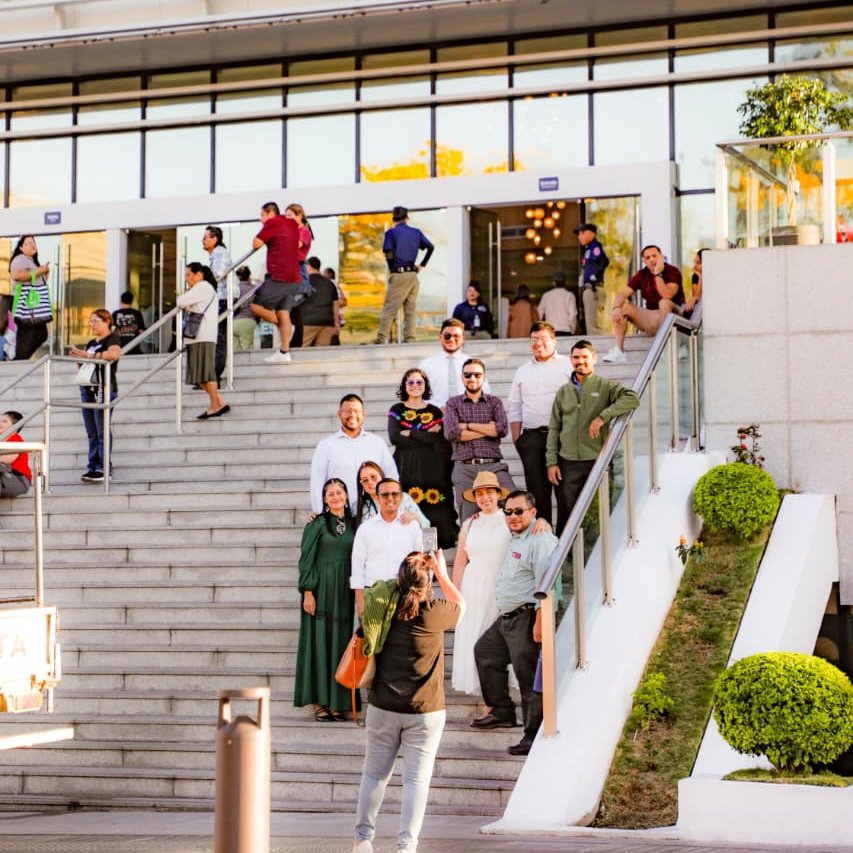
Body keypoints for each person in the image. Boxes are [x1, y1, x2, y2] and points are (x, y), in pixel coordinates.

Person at [351, 551, 464, 853]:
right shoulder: (435, 611)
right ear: (427, 585)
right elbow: (462, 605)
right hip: (426, 711)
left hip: (383, 707)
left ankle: (363, 841)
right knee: (416, 781)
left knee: (374, 774)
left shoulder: (384, 606)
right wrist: (442, 574)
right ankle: (406, 847)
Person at [472, 490, 558, 757]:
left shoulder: (539, 538)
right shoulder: (516, 537)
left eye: (519, 511)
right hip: (507, 617)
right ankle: (502, 711)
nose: (512, 517)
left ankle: (534, 734)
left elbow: (547, 582)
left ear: (533, 512)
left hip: (527, 615)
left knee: (527, 676)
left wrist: (540, 619)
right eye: (508, 512)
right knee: (484, 652)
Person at [546, 339, 639, 532]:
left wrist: (603, 417)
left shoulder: (605, 386)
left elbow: (632, 398)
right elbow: (554, 427)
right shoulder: (563, 392)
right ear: (571, 360)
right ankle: (567, 559)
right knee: (567, 514)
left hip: (598, 461)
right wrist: (551, 462)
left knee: (601, 512)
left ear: (594, 358)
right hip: (567, 462)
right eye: (576, 357)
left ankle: (598, 555)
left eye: (585, 357)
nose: (580, 361)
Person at [294, 477, 356, 723]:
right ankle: (320, 703)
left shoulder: (355, 523)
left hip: (345, 589)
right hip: (321, 590)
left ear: (347, 496)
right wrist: (308, 591)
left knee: (341, 644)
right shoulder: (317, 524)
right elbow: (306, 558)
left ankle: (339, 702)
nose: (336, 497)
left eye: (339, 492)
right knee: (319, 643)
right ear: (324, 499)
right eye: (330, 493)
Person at [508, 322, 572, 527]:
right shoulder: (522, 371)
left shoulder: (568, 365)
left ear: (554, 340)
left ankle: (566, 543)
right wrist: (519, 441)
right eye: (534, 339)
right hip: (533, 438)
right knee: (537, 495)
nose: (538, 343)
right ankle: (543, 540)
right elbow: (515, 406)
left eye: (543, 338)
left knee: (565, 493)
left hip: (563, 438)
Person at [387, 368, 458, 549]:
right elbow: (394, 437)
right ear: (404, 385)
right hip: (406, 468)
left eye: (419, 382)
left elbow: (438, 439)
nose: (415, 386)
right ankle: (414, 551)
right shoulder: (397, 410)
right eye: (410, 382)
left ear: (425, 385)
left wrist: (410, 432)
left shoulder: (434, 411)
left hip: (432, 470)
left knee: (433, 509)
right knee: (411, 509)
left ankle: (434, 554)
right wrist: (425, 434)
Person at [443, 358, 514, 522]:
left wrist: (467, 425)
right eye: (468, 375)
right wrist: (488, 429)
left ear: (484, 377)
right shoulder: (453, 403)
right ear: (462, 378)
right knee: (468, 518)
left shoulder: (494, 402)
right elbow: (452, 433)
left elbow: (501, 429)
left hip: (493, 465)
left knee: (512, 502)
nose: (472, 378)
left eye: (477, 374)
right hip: (464, 466)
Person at [310, 394, 397, 514]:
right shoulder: (326, 445)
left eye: (357, 411)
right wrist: (319, 512)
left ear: (363, 414)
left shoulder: (377, 442)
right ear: (339, 414)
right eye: (347, 411)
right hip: (340, 513)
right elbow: (317, 481)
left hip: (373, 512)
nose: (352, 415)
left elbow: (391, 475)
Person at [350, 477, 423, 618]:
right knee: (375, 640)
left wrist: (418, 598)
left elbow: (419, 564)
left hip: (405, 596)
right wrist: (360, 604)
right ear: (377, 497)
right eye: (385, 494)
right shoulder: (365, 529)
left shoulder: (412, 527)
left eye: (394, 494)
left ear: (401, 497)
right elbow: (357, 568)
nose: (390, 498)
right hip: (373, 594)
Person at [602, 244, 685, 364]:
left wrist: (658, 274)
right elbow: (623, 293)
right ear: (644, 261)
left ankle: (663, 347)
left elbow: (668, 295)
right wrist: (615, 308)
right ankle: (619, 351)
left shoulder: (672, 271)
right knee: (623, 307)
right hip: (651, 318)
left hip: (673, 316)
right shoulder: (642, 274)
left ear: (661, 257)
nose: (651, 259)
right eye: (648, 257)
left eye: (654, 256)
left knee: (664, 303)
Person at [69, 309, 122, 484]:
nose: (92, 325)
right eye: (91, 321)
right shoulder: (92, 342)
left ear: (107, 321)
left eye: (96, 321)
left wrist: (89, 355)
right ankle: (92, 465)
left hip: (103, 387)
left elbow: (113, 355)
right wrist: (79, 357)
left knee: (101, 429)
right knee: (91, 430)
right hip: (88, 387)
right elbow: (84, 366)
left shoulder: (112, 337)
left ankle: (103, 466)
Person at [177, 262, 230, 420]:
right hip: (199, 337)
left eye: (189, 274)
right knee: (198, 376)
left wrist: (186, 296)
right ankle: (219, 401)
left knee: (205, 374)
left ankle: (214, 405)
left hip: (202, 336)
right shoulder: (204, 289)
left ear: (199, 274)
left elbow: (180, 301)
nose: (187, 278)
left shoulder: (203, 287)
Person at [251, 201, 302, 364]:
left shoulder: (273, 222)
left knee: (256, 306)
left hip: (279, 276)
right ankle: (284, 352)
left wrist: (266, 232)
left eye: (262, 215)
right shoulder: (291, 223)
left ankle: (284, 328)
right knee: (283, 311)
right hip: (294, 277)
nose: (261, 220)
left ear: (269, 212)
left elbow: (256, 244)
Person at [375, 206, 434, 344]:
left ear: (393, 219)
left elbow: (388, 253)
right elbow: (430, 247)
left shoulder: (391, 233)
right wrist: (422, 264)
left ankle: (381, 338)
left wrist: (392, 270)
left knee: (390, 308)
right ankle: (410, 339)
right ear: (407, 218)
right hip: (413, 275)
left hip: (399, 273)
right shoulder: (415, 232)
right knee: (410, 310)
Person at [417, 319, 486, 410]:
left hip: (468, 416)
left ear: (463, 339)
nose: (452, 339)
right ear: (440, 337)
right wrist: (436, 410)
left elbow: (485, 391)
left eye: (456, 336)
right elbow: (418, 394)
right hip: (435, 418)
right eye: (447, 336)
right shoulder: (426, 365)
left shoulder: (474, 364)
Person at [10, 235, 52, 361]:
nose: (33, 245)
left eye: (34, 242)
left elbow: (39, 282)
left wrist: (45, 271)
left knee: (41, 334)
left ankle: (19, 360)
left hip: (34, 303)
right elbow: (16, 275)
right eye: (28, 243)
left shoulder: (32, 261)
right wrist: (39, 271)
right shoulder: (20, 258)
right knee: (27, 333)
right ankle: (18, 362)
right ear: (21, 248)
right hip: (25, 303)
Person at [354, 461, 429, 530]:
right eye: (365, 480)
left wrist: (415, 517)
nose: (370, 482)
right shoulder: (359, 506)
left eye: (373, 477)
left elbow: (426, 525)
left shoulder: (403, 498)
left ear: (381, 477)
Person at [203, 225, 236, 381]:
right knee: (217, 338)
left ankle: (213, 377)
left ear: (215, 239)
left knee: (219, 339)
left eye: (205, 238)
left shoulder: (220, 254)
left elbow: (218, 274)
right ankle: (212, 376)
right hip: (221, 299)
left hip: (224, 299)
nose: (202, 241)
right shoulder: (216, 255)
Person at [574, 223, 609, 335]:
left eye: (582, 233)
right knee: (591, 323)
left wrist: (595, 276)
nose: (580, 236)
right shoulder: (588, 249)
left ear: (592, 233)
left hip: (594, 288)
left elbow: (604, 261)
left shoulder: (595, 247)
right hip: (589, 288)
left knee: (594, 325)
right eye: (579, 234)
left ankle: (598, 348)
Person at [300, 257, 341, 347]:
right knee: (322, 355)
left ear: (309, 266)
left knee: (301, 353)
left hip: (308, 322)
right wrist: (336, 323)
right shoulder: (330, 283)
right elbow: (335, 305)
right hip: (327, 323)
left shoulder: (304, 282)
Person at [0, 411, 32, 499]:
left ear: (15, 426)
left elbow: (5, 460)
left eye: (4, 421)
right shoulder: (2, 441)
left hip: (19, 480)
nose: (0, 423)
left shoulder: (16, 439)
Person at [536, 271, 577, 337]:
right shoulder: (569, 295)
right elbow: (572, 315)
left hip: (550, 331)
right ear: (565, 282)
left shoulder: (546, 296)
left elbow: (539, 314)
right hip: (565, 331)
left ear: (554, 283)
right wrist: (573, 329)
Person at [232, 266, 258, 351]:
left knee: (235, 351)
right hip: (248, 320)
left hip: (233, 322)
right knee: (247, 349)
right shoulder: (254, 289)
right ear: (249, 275)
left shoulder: (233, 289)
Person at [684, 248, 707, 317]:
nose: (695, 265)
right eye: (695, 262)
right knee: (691, 304)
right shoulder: (696, 276)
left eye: (699, 262)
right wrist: (700, 277)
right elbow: (696, 296)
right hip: (699, 303)